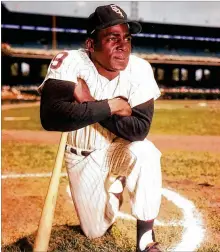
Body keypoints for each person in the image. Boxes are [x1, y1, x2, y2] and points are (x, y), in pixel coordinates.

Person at [38, 4, 163, 252]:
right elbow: (52, 117)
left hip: (118, 147)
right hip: (81, 155)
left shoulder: (140, 69)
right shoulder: (70, 61)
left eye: (127, 38)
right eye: (112, 38)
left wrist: (88, 102)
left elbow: (138, 129)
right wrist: (114, 106)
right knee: (95, 231)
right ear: (91, 44)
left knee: (146, 152)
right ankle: (115, 190)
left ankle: (146, 241)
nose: (123, 45)